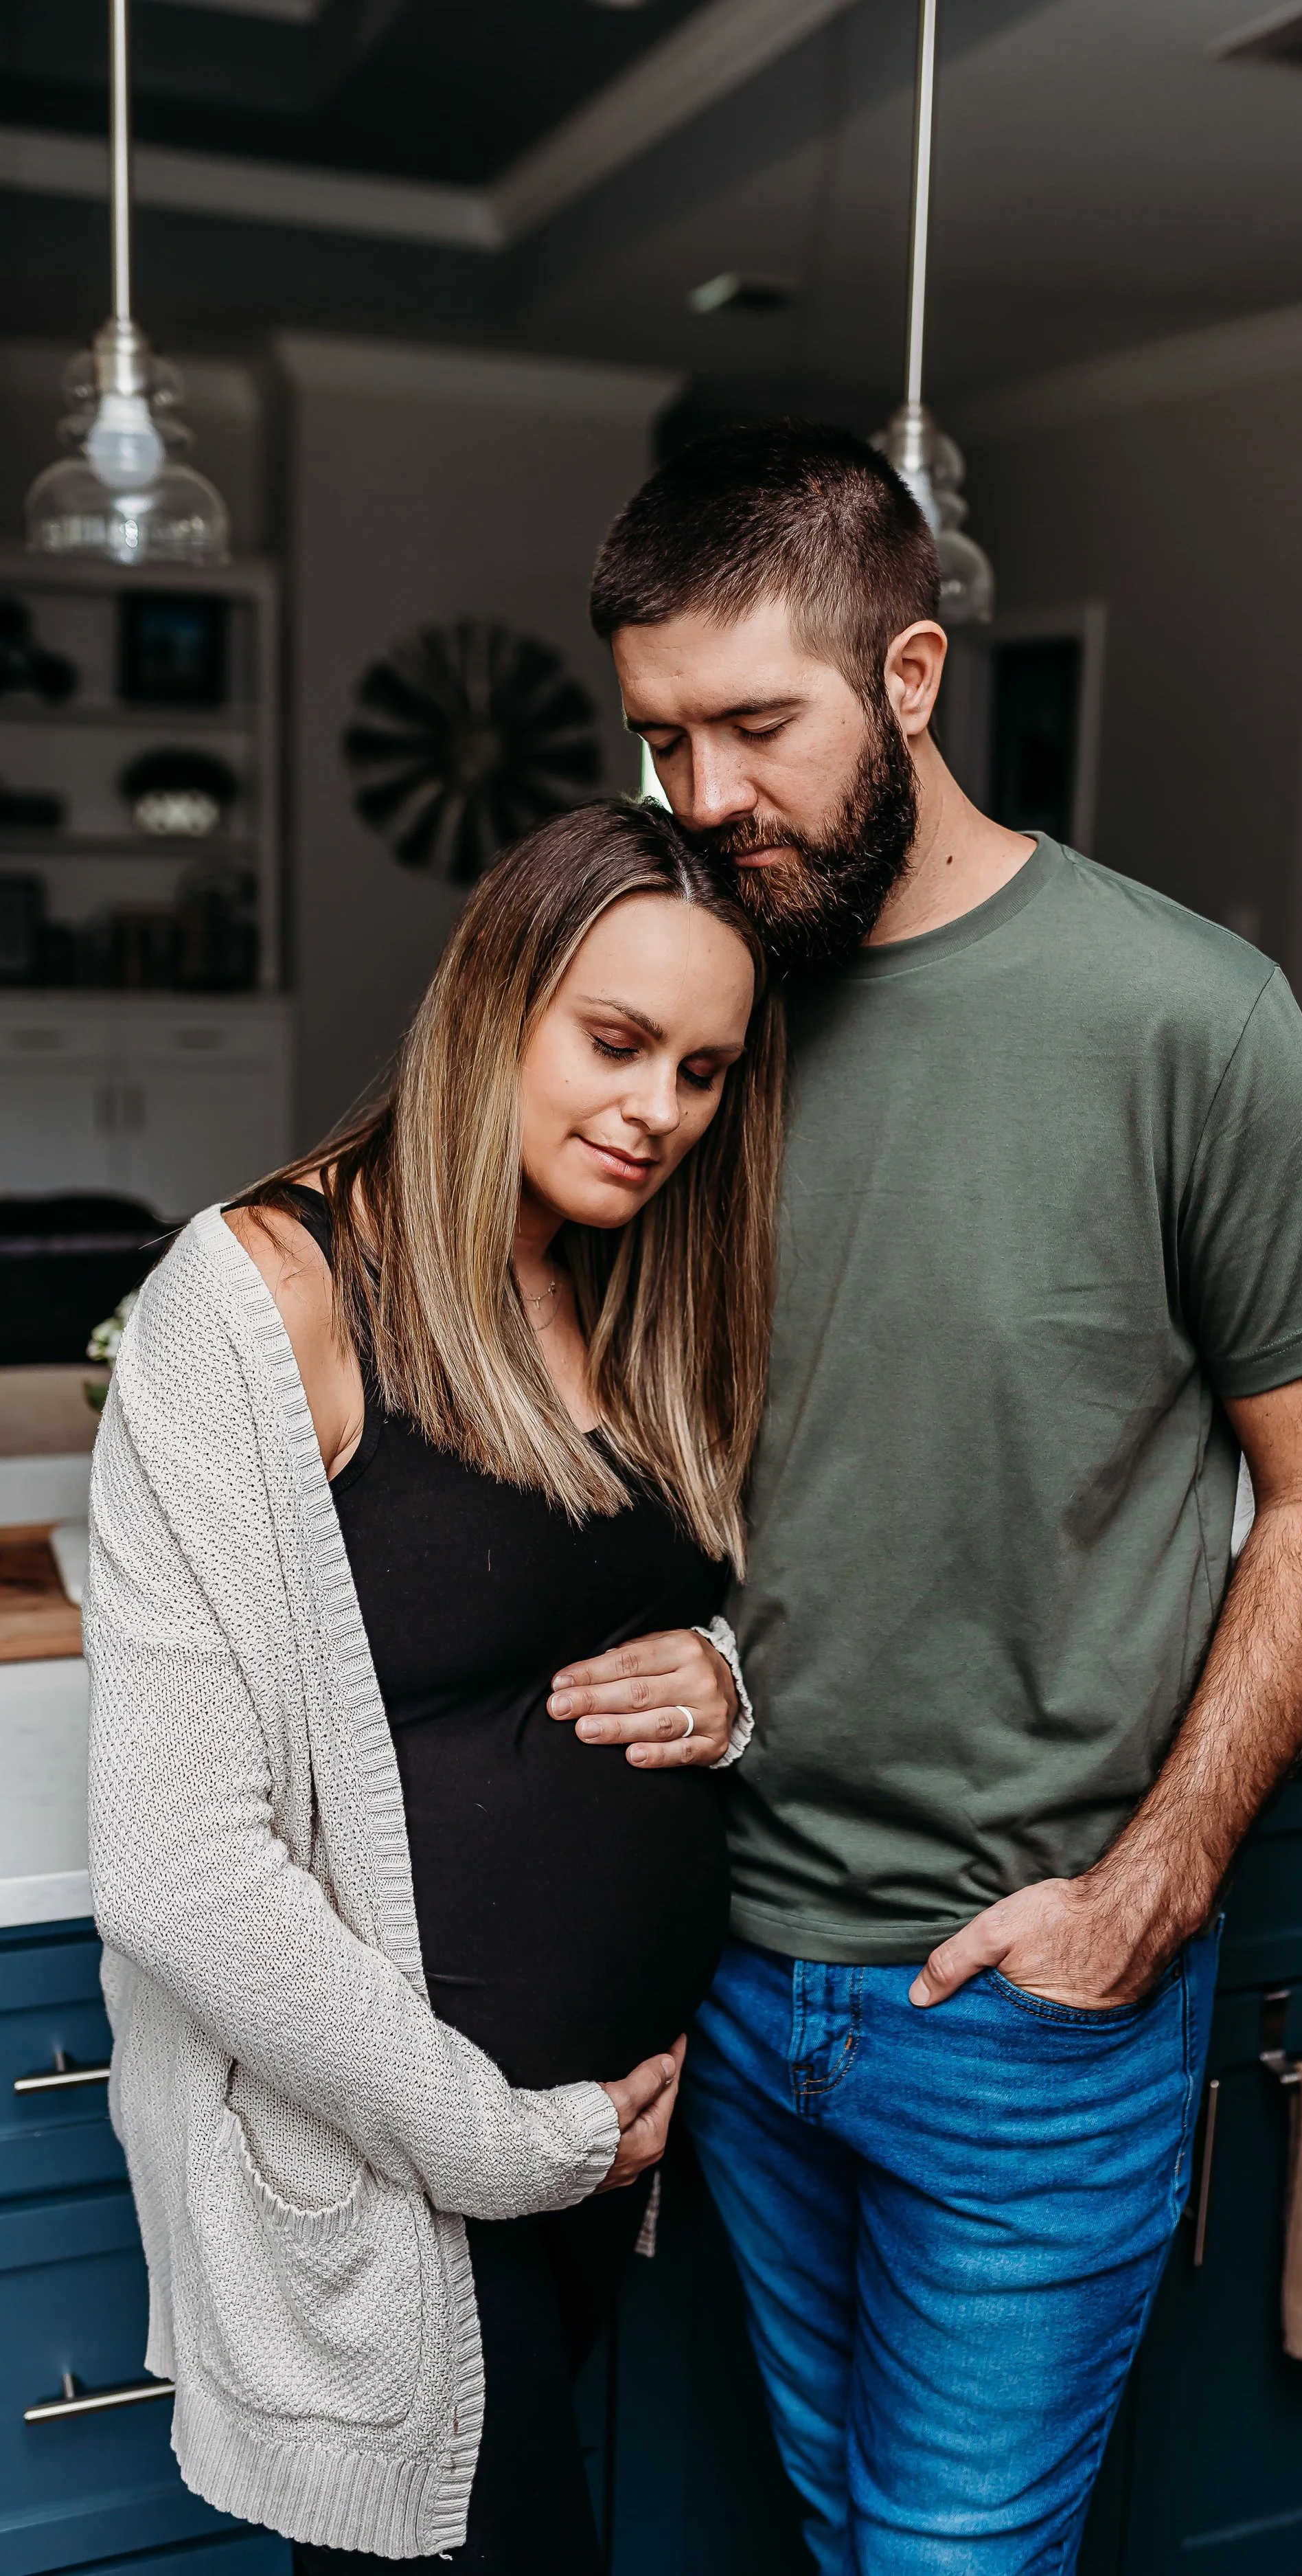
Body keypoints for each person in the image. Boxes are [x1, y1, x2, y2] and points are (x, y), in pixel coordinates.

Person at [583, 422, 1302, 2574]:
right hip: (729, 1977)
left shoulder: (1186, 1019)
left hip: (1020, 2005)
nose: (705, 801)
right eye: (663, 740)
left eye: (756, 725)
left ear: (915, 674)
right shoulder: (695, 1013)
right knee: (847, 2533)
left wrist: (1150, 1887)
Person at [84, 799, 785, 2568]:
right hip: (411, 2185)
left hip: (607, 2159)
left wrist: (726, 1674)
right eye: (616, 1044)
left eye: (703, 1071)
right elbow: (179, 1862)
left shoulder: (640, 1280)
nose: (657, 1113)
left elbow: (742, 1588)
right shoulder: (260, 1300)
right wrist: (501, 2138)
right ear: (494, 1007)